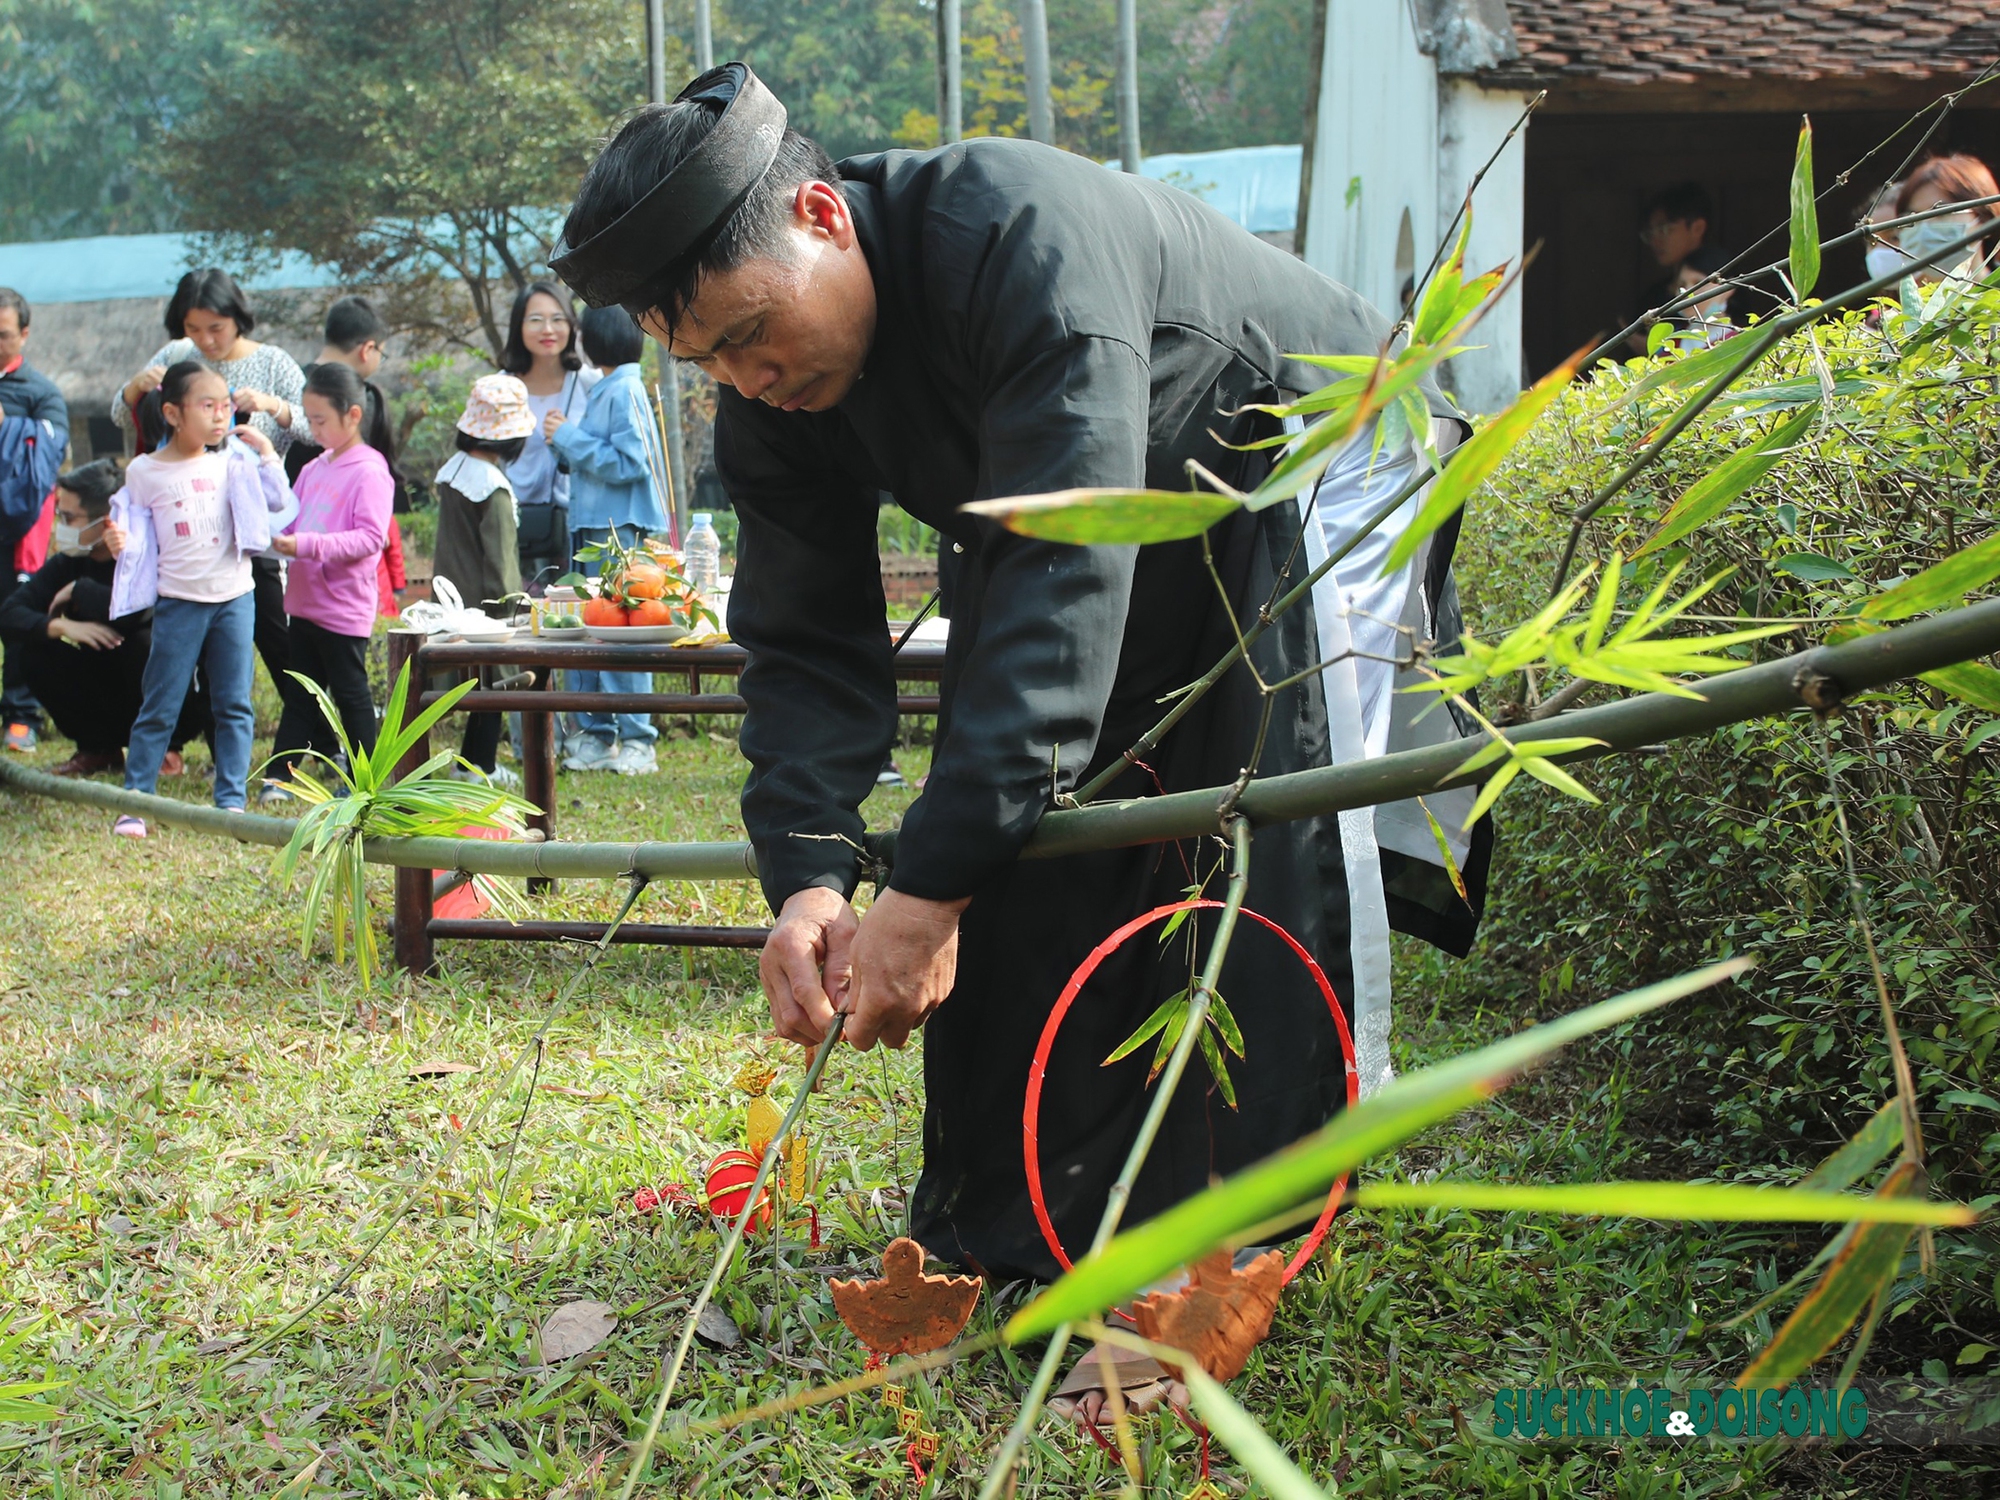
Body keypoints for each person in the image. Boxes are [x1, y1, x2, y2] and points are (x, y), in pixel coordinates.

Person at [551, 65, 1481, 1335]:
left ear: (821, 216)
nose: (746, 377)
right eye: (705, 359)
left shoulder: (1017, 235)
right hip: (1095, 509)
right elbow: (804, 641)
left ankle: (1242, 1238)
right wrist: (815, 879)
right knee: (1014, 819)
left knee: (1246, 826)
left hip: (1312, 457)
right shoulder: (766, 394)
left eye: (750, 331)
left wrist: (925, 895)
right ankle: (1017, 1218)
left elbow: (1060, 592)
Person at [111, 268, 310, 745]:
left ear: (237, 318)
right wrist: (136, 386)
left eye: (215, 328)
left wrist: (273, 406)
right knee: (190, 653)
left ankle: (315, 736)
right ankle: (213, 749)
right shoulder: (178, 356)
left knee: (276, 640)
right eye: (193, 328)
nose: (204, 340)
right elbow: (121, 413)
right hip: (186, 534)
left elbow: (314, 426)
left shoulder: (273, 362)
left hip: (252, 529)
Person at [103, 362, 295, 835]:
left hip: (235, 598)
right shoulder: (144, 471)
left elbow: (278, 501)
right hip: (178, 602)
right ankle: (137, 799)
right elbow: (130, 529)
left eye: (225, 406)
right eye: (206, 407)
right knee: (160, 702)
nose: (218, 417)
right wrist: (117, 543)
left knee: (233, 703)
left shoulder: (232, 461)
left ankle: (230, 802)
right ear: (172, 412)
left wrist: (268, 453)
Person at [0, 461, 208, 777]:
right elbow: (11, 614)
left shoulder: (147, 553)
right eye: (60, 516)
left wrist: (79, 591)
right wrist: (60, 626)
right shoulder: (67, 562)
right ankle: (98, 749)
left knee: (142, 642)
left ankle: (167, 747)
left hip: (165, 692)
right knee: (34, 649)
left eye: (69, 518)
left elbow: (138, 611)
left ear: (107, 520)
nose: (62, 527)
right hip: (103, 689)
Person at [547, 304, 671, 776]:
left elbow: (629, 463)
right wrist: (565, 441)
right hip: (597, 528)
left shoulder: (626, 388)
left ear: (592, 340)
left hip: (621, 531)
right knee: (595, 632)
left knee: (623, 634)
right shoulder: (610, 387)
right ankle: (597, 738)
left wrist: (569, 437)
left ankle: (639, 741)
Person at [265, 363, 394, 797]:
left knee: (350, 695)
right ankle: (279, 778)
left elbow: (370, 538)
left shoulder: (370, 470)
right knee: (301, 692)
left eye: (319, 420)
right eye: (309, 419)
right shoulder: (314, 468)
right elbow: (290, 517)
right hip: (304, 601)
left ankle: (366, 782)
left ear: (352, 415)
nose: (312, 428)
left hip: (341, 605)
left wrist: (305, 545)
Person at [431, 374, 530, 788]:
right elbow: (501, 561)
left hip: (451, 595)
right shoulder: (493, 487)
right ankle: (479, 767)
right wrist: (517, 611)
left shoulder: (455, 471)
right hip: (485, 608)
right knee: (500, 685)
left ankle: (469, 764)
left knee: (477, 688)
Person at [0, 285, 69, 753]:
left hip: (16, 525)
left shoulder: (39, 393)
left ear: (24, 334)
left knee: (17, 616)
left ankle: (22, 713)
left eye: (3, 334)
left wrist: (6, 426)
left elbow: (52, 451)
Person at [498, 282, 600, 589]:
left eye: (558, 319)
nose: (548, 329)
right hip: (516, 528)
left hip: (578, 527)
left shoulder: (590, 383)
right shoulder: (501, 388)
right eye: (535, 320)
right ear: (518, 327)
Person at [284, 296, 406, 505]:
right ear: (367, 349)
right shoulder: (363, 399)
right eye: (381, 354)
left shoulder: (288, 383)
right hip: (345, 521)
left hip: (291, 516)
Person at [1624, 182, 1712, 355]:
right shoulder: (1656, 293)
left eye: (1664, 229)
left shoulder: (1717, 277)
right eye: (1651, 232)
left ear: (1697, 228)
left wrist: (1656, 351)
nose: (1656, 241)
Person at [1891, 154, 1999, 286]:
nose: (1925, 227)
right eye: (1913, 217)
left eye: (1941, 212)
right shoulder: (1900, 305)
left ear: (1985, 220)